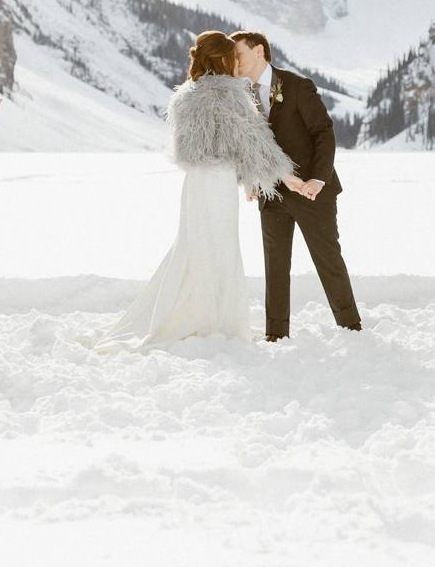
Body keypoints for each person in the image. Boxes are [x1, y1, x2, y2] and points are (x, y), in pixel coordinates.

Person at [100, 31, 295, 349]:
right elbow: (249, 141)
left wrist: (248, 179)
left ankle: (191, 312)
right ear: (223, 59)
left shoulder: (186, 96)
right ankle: (217, 320)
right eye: (234, 57)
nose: (238, 63)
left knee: (194, 244)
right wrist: (281, 175)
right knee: (220, 247)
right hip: (218, 182)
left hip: (195, 182)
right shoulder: (230, 94)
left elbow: (208, 142)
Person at [232, 30, 363, 341]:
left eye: (238, 54)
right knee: (274, 267)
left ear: (259, 51)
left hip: (311, 190)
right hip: (271, 193)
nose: (234, 60)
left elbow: (324, 132)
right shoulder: (241, 96)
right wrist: (251, 180)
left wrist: (318, 179)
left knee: (328, 260)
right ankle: (276, 334)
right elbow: (251, 145)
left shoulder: (296, 85)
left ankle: (351, 329)